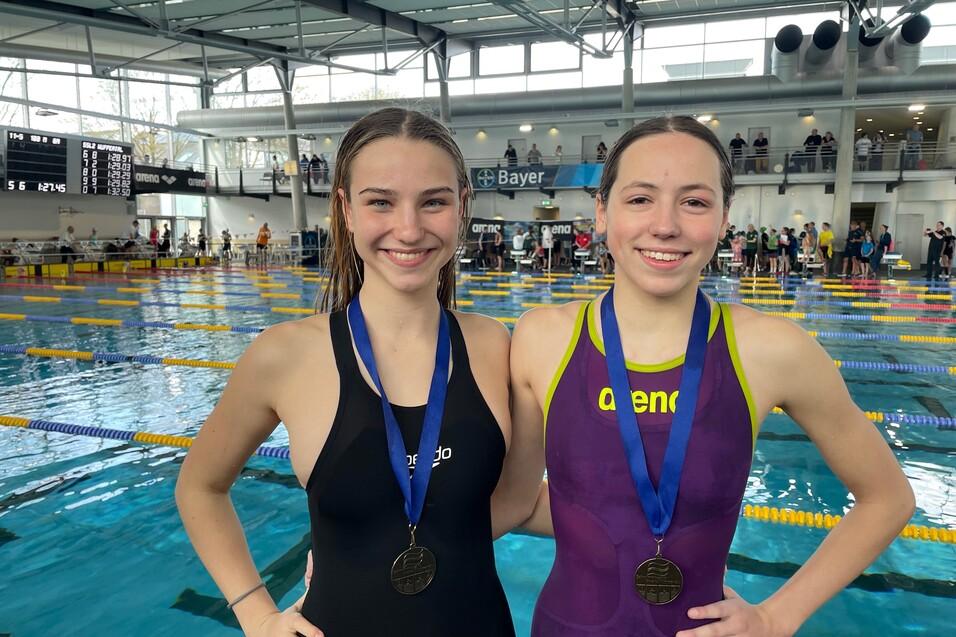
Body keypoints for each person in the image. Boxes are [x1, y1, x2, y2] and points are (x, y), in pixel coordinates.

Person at [507, 116, 913, 637]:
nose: (665, 225)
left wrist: (776, 616)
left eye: (695, 202)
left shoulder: (772, 349)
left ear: (724, 219)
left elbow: (888, 498)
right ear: (602, 212)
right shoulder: (543, 339)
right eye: (640, 199)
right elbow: (516, 502)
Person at [176, 108, 533, 637]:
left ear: (462, 207)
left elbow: (520, 499)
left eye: (433, 202)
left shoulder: (495, 345)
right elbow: (200, 487)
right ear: (345, 209)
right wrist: (255, 613)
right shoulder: (284, 355)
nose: (408, 229)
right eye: (380, 202)